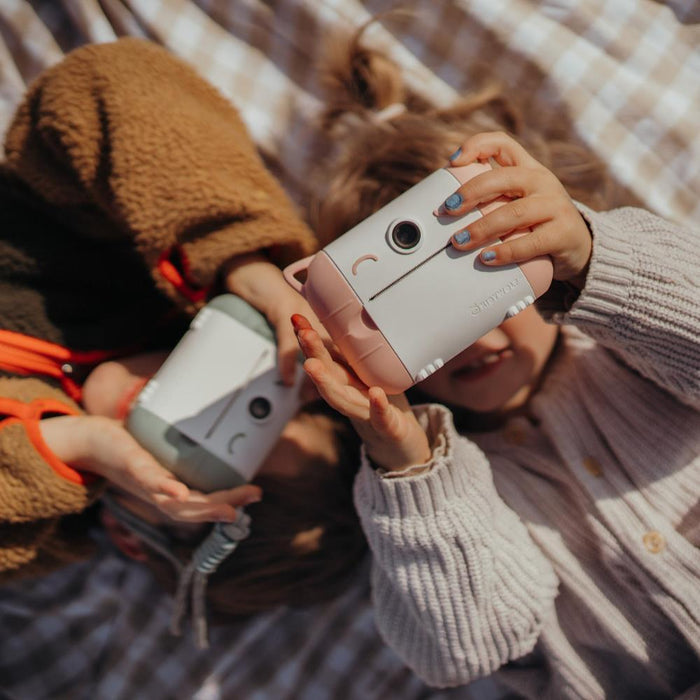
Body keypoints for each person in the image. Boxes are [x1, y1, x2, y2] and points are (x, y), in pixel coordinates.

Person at [291, 26, 700, 699]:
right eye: (418, 314)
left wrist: (595, 259)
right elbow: (463, 650)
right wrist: (409, 466)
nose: (477, 341)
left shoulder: (635, 342)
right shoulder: (440, 491)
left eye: (481, 291)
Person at [0, 36, 368, 621]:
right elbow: (110, 79)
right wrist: (237, 254)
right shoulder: (129, 264)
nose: (197, 419)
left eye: (208, 470)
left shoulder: (34, 523)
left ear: (132, 535)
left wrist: (74, 447)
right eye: (259, 410)